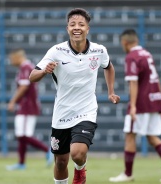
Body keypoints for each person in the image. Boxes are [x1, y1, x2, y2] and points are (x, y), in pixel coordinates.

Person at [29, 8, 120, 184]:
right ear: (67, 28)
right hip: (62, 113)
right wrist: (44, 72)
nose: (76, 27)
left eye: (81, 24)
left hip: (86, 110)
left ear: (88, 29)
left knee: (77, 154)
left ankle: (80, 169)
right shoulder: (56, 51)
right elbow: (32, 76)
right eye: (72, 24)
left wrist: (111, 92)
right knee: (61, 162)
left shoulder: (99, 51)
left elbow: (108, 66)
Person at [109, 29, 161, 183]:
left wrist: (133, 106)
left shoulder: (132, 57)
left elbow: (133, 82)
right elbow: (155, 79)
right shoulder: (147, 54)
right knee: (151, 136)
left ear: (125, 43)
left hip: (141, 102)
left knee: (130, 135)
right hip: (153, 100)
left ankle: (128, 174)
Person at [6, 48, 53, 171]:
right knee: (21, 135)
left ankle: (47, 150)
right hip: (27, 106)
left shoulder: (25, 67)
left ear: (17, 57)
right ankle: (21, 163)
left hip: (27, 106)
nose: (11, 62)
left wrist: (12, 101)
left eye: (12, 59)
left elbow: (23, 86)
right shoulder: (27, 67)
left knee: (23, 135)